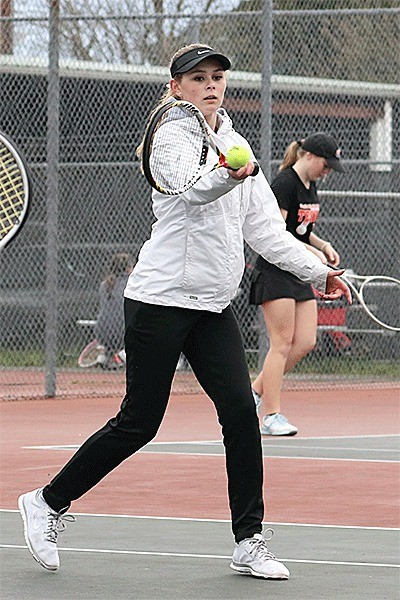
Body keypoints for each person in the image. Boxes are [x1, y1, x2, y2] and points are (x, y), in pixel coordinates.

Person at [18, 44, 351, 582]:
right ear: (177, 87)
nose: (211, 85)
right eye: (198, 78)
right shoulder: (169, 136)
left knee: (242, 413)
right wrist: (229, 174)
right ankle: (45, 502)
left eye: (218, 77)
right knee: (140, 422)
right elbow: (192, 190)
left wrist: (317, 269)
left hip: (212, 308)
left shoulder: (237, 143)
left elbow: (265, 231)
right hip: (159, 302)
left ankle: (249, 540)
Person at [249, 133, 344, 436]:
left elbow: (302, 230)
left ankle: (252, 393)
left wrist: (322, 244)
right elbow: (278, 235)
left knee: (306, 341)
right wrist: (313, 253)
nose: (326, 172)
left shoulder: (311, 186)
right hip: (276, 271)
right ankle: (271, 416)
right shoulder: (284, 184)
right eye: (326, 165)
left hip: (299, 271)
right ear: (310, 156)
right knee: (281, 344)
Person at [93, 253, 134, 367]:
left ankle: (104, 356)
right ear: (127, 268)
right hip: (122, 333)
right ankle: (123, 355)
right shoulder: (132, 284)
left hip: (101, 333)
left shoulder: (104, 284)